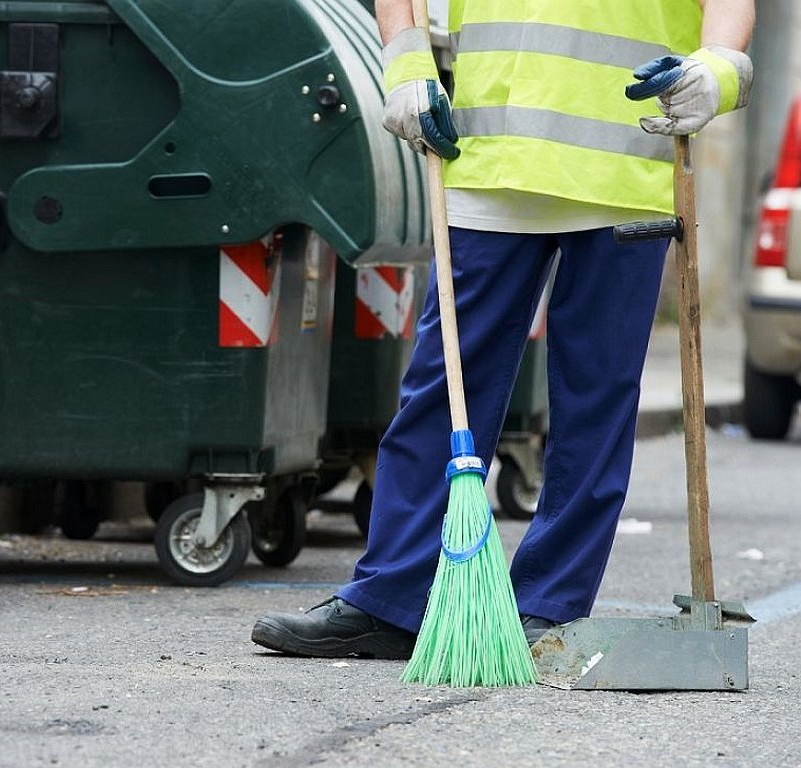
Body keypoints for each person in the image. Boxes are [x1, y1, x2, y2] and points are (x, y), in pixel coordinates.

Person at [251, 0, 755, 659]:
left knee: (594, 403)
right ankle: (390, 601)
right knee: (442, 386)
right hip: (490, 162)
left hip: (623, 168)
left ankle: (545, 606)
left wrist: (717, 69)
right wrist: (404, 62)